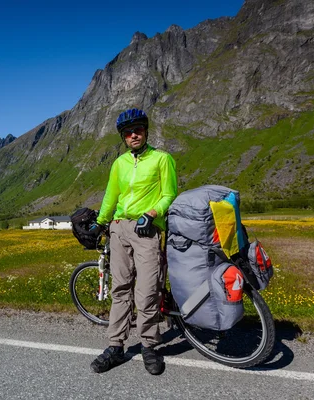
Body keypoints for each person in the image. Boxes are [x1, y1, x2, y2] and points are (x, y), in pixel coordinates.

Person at [89, 108, 177, 375]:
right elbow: (110, 196)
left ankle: (149, 346)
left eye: (137, 130)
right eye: (128, 132)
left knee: (148, 290)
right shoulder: (119, 164)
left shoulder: (162, 159)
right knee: (120, 290)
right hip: (119, 229)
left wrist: (152, 214)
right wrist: (101, 222)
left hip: (147, 230)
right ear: (123, 137)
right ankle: (116, 346)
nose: (133, 135)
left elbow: (169, 194)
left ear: (145, 131)